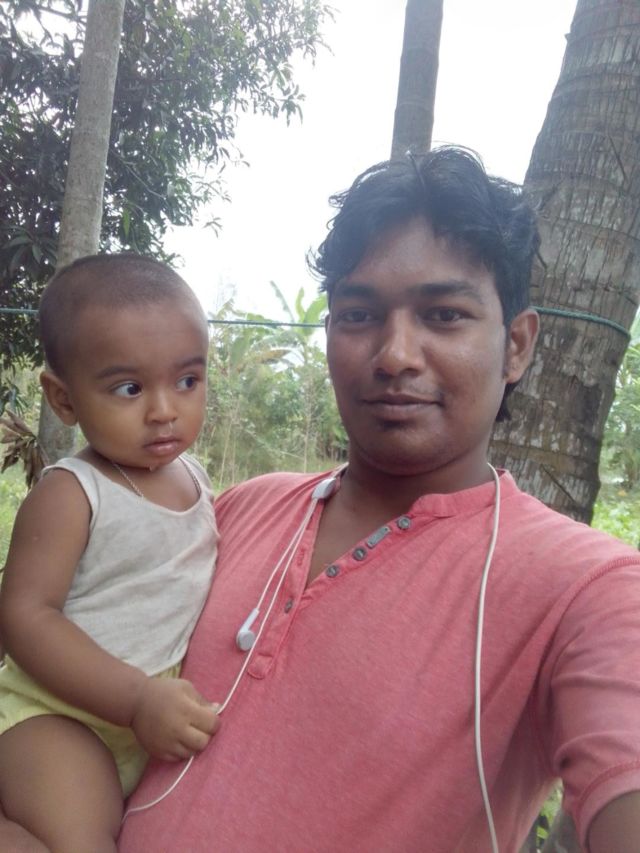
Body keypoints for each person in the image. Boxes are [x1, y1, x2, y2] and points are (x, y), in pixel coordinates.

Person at [119, 147, 640, 853]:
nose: (395, 354)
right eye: (360, 314)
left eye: (445, 315)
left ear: (516, 345)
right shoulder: (235, 510)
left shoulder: (585, 588)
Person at [0, 254, 220, 852]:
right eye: (130, 388)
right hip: (55, 718)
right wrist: (137, 697)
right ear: (63, 399)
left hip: (143, 730)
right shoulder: (73, 493)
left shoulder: (198, 482)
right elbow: (24, 617)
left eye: (187, 381)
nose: (164, 410)